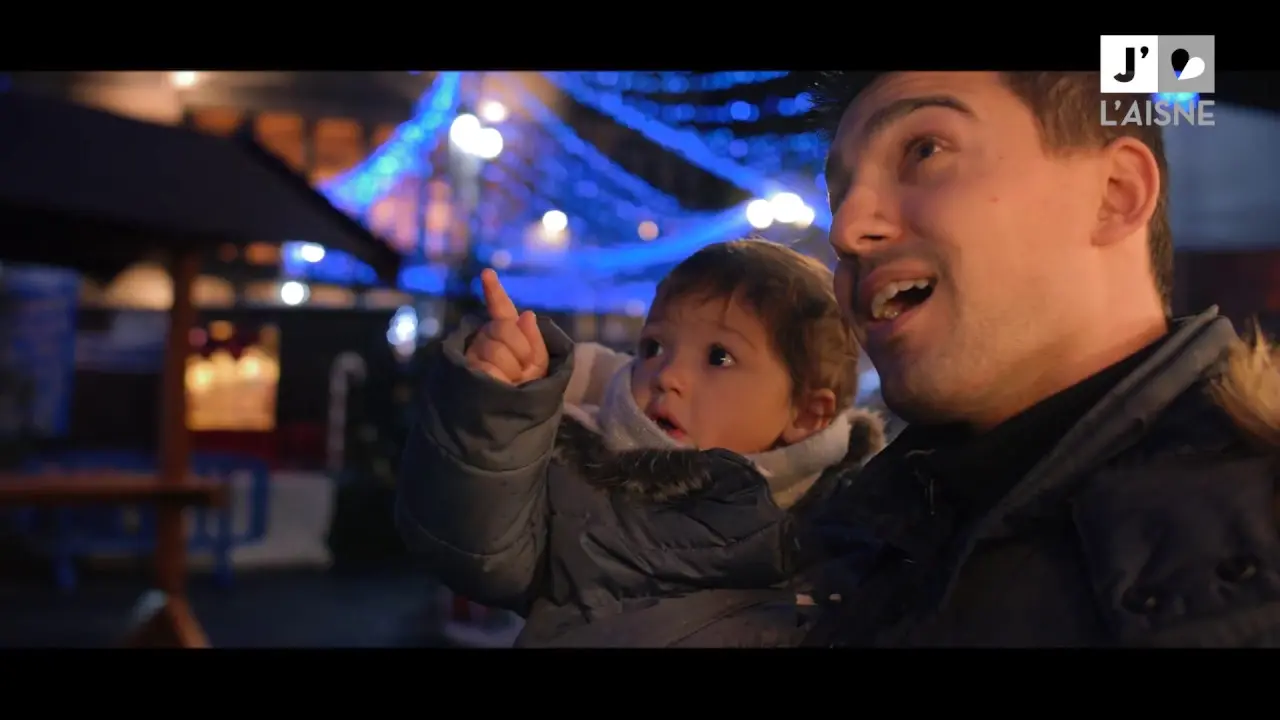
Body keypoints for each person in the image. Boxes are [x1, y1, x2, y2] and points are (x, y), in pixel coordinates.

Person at [798, 70, 1280, 646]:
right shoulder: (832, 548)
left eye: (924, 150)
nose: (846, 229)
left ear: (1116, 193)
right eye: (838, 195)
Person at [397, 240, 885, 647]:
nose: (666, 375)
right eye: (653, 347)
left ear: (807, 413)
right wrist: (496, 410)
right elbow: (474, 547)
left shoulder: (858, 529)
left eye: (718, 357)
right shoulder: (582, 482)